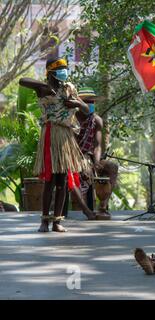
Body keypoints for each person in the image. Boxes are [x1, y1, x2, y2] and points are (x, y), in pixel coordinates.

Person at [19, 57, 88, 232]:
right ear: (51, 72)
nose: (64, 72)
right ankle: (44, 220)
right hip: (50, 134)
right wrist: (46, 85)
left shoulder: (69, 88)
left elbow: (87, 111)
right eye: (60, 69)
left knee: (62, 181)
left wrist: (76, 103)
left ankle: (57, 221)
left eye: (65, 68)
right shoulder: (43, 89)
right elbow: (22, 80)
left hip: (65, 136)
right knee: (50, 180)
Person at [69, 87, 118, 220]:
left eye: (93, 102)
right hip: (71, 157)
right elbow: (69, 145)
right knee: (78, 174)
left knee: (111, 167)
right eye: (88, 101)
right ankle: (85, 210)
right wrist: (82, 162)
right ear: (80, 103)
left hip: (89, 157)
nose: (91, 104)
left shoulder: (96, 120)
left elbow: (97, 146)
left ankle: (103, 205)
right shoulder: (71, 119)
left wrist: (96, 162)